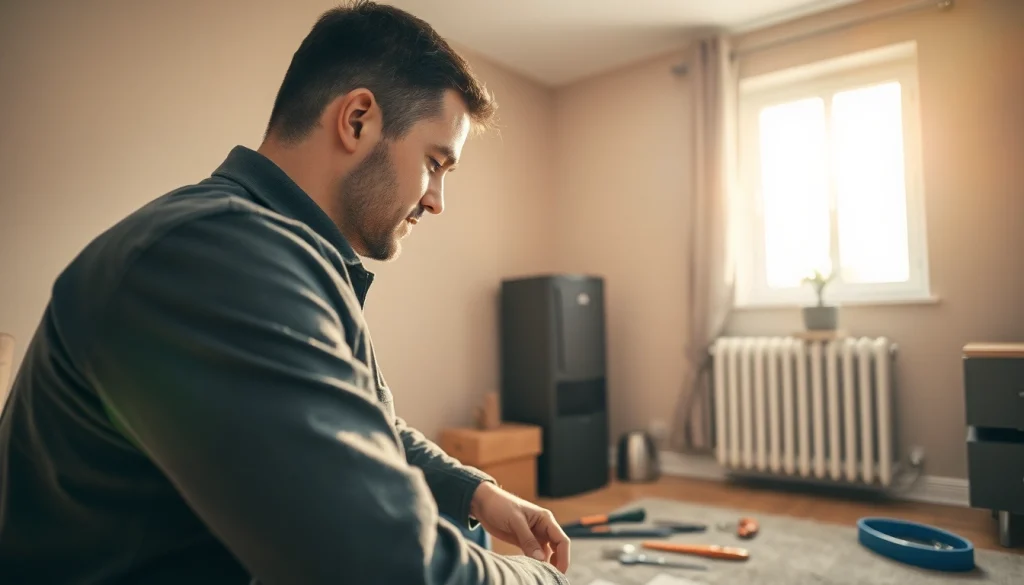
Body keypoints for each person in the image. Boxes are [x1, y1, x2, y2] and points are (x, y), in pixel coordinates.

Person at [0, 2, 571, 584]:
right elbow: (381, 563)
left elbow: (348, 420)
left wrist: (476, 493)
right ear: (357, 120)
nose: (436, 201)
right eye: (434, 163)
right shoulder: (214, 256)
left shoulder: (263, 250)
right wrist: (547, 581)